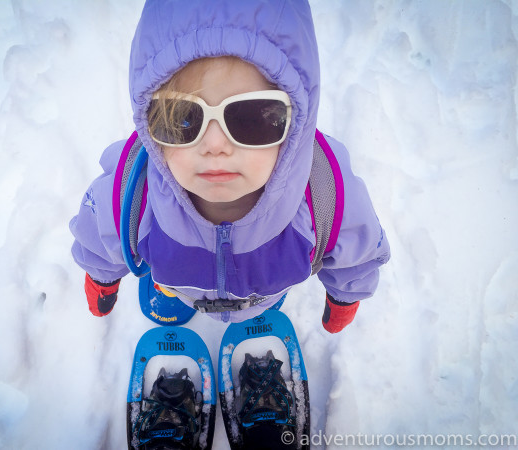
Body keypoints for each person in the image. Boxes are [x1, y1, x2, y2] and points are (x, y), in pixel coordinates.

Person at [69, 0, 390, 332]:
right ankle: (171, 287)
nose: (214, 145)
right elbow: (98, 235)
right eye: (182, 119)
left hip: (262, 290)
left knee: (262, 291)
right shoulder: (132, 192)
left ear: (296, 122)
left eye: (251, 116)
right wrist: (101, 279)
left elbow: (358, 253)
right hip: (180, 283)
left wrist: (346, 297)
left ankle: (258, 301)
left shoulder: (325, 193)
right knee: (170, 275)